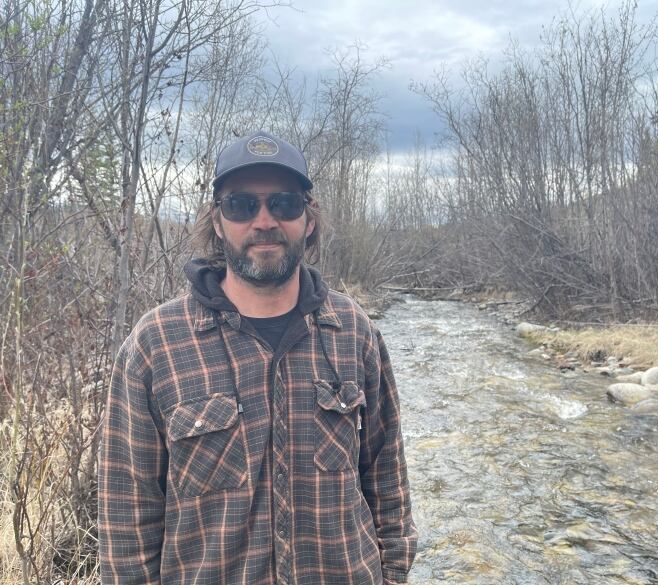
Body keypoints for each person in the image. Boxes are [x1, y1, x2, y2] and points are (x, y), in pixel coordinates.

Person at [98, 130, 418, 584]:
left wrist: (393, 573)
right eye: (242, 205)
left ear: (308, 220)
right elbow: (126, 522)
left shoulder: (354, 331)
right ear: (216, 220)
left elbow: (387, 473)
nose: (264, 221)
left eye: (284, 204)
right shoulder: (156, 346)